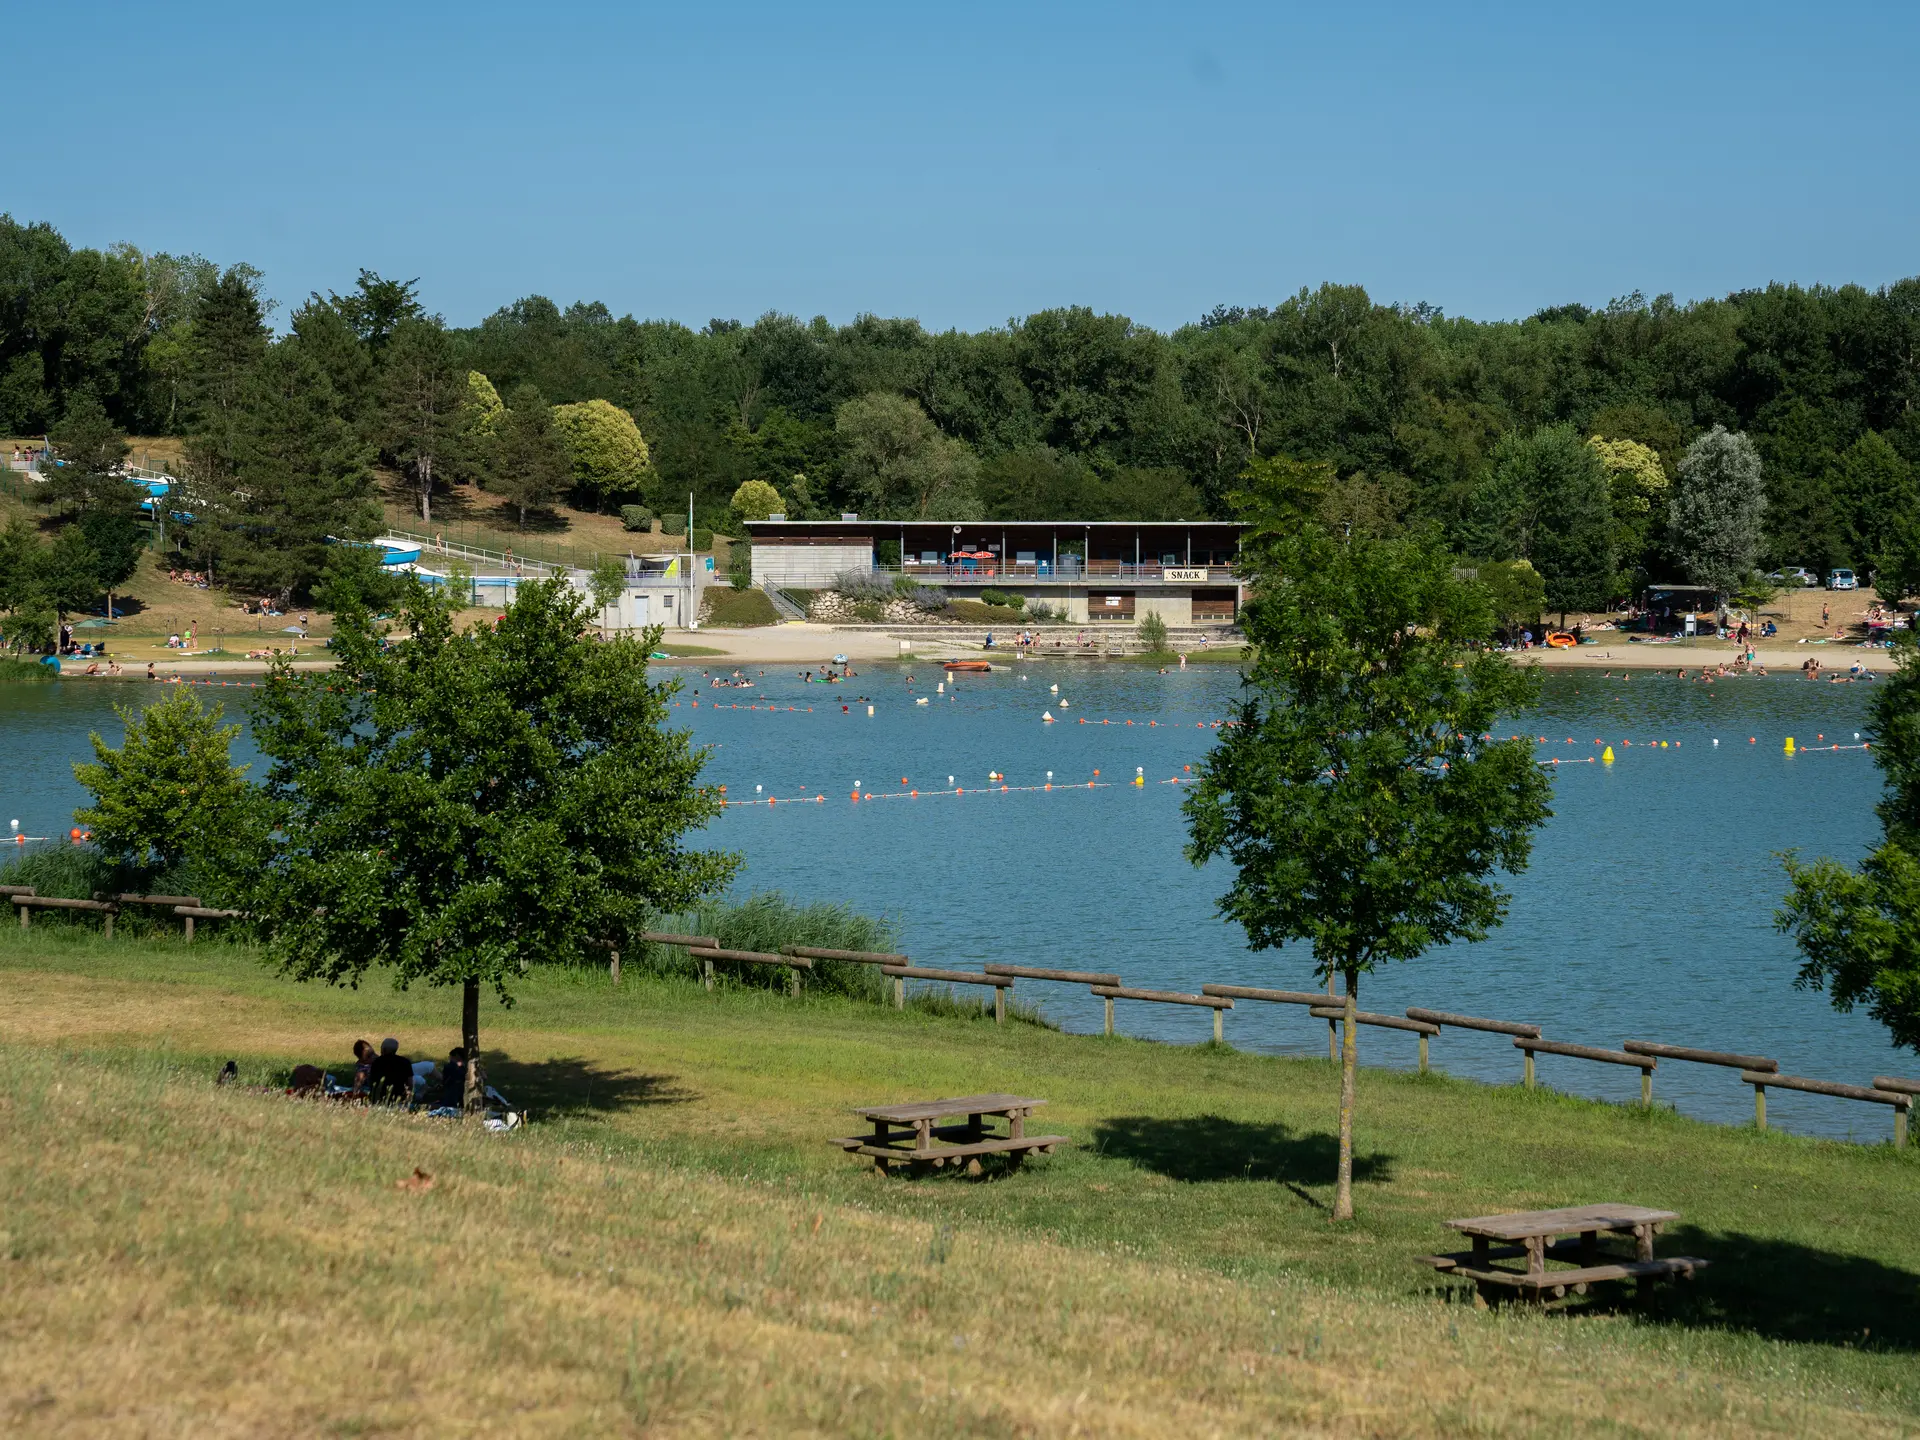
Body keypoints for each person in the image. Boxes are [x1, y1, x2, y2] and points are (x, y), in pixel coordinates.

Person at [365, 1038, 414, 1104]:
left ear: (384, 1049)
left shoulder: (377, 1062)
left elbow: (372, 1081)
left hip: (379, 1099)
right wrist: (407, 1097)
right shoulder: (405, 1062)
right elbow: (410, 1082)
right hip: (399, 1099)